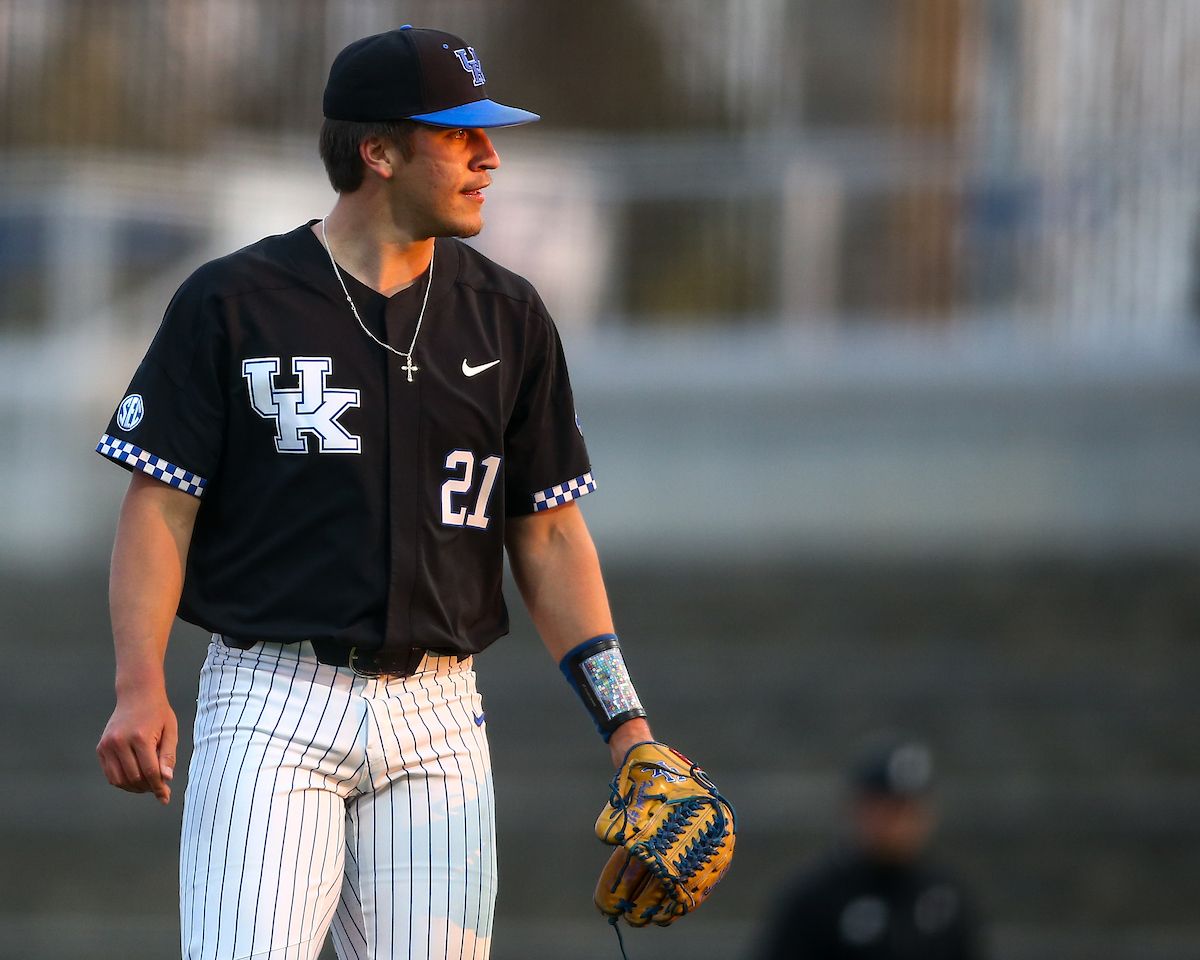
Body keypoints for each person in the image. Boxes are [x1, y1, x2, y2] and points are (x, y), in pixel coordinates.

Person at [93, 26, 658, 960]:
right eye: (459, 134)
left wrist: (627, 726)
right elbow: (160, 505)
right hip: (272, 703)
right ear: (379, 152)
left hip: (441, 717)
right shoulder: (236, 302)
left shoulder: (509, 315)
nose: (489, 156)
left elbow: (551, 534)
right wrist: (138, 684)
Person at [757, 737, 982, 960]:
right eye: (889, 809)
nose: (901, 824)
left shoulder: (947, 896)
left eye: (910, 809)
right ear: (858, 807)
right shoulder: (815, 897)